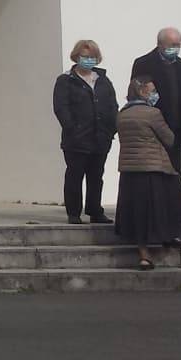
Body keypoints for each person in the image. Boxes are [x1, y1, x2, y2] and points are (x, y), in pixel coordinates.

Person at [114, 75, 181, 270]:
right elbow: (169, 138)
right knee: (171, 202)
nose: (156, 94)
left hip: (130, 169)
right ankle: (170, 235)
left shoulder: (122, 114)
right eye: (153, 90)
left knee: (139, 214)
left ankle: (144, 255)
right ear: (142, 92)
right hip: (153, 166)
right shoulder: (152, 113)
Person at [51, 39, 117, 224]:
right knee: (75, 174)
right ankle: (74, 212)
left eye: (92, 57)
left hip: (101, 137)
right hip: (76, 138)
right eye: (85, 57)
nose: (89, 60)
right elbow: (61, 107)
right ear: (76, 57)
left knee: (96, 176)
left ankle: (95, 210)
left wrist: (112, 128)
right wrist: (72, 127)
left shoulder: (103, 80)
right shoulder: (66, 80)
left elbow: (112, 105)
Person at [130, 27, 181, 177]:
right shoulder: (144, 63)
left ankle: (175, 198)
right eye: (171, 45)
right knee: (157, 168)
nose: (175, 49)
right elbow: (137, 90)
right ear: (160, 44)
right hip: (154, 124)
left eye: (178, 45)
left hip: (177, 124)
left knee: (176, 168)